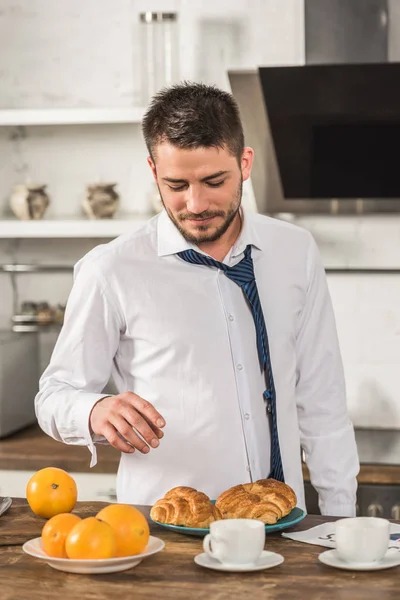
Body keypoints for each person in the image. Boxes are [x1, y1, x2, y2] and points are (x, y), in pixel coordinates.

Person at [35, 82, 359, 516]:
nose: (196, 203)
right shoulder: (110, 268)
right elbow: (54, 395)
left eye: (213, 180)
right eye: (176, 184)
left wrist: (340, 520)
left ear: (244, 163)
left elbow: (323, 399)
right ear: (153, 172)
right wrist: (94, 409)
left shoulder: (295, 251)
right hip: (163, 532)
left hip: (280, 526)